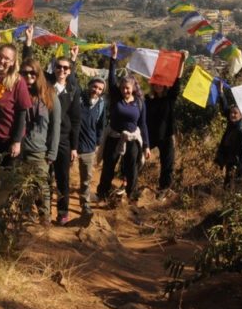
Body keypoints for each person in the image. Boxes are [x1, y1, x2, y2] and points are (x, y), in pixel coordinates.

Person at [23, 25, 81, 225]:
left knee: (62, 178)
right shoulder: (46, 85)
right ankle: (41, 212)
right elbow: (30, 69)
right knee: (43, 178)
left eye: (66, 68)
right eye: (59, 67)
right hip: (42, 138)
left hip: (63, 139)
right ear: (53, 69)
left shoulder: (73, 90)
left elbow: (76, 120)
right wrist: (28, 43)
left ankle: (63, 212)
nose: (62, 70)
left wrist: (74, 146)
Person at [97, 44, 150, 202]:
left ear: (133, 88)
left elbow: (143, 124)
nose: (124, 90)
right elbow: (112, 78)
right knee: (108, 167)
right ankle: (103, 193)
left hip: (132, 139)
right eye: (122, 88)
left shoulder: (139, 102)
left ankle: (131, 195)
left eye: (127, 88)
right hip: (114, 137)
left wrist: (146, 145)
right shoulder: (116, 98)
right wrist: (113, 58)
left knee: (131, 169)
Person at [19, 58, 60, 223]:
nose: (29, 76)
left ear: (38, 73)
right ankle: (26, 216)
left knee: (42, 186)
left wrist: (52, 152)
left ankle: (45, 219)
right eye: (24, 72)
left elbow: (56, 125)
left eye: (32, 72)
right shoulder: (18, 91)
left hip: (40, 151)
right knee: (23, 186)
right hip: (20, 149)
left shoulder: (49, 95)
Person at [145, 77, 181, 199]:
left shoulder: (170, 98)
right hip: (150, 135)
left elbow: (177, 82)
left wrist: (181, 61)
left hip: (166, 136)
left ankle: (163, 190)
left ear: (165, 85)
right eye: (156, 83)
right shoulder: (148, 100)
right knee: (135, 155)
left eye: (161, 83)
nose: (158, 85)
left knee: (167, 164)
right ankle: (127, 183)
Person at [76, 76, 107, 215]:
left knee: (86, 179)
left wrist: (97, 142)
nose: (96, 90)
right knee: (61, 176)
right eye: (94, 87)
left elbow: (101, 125)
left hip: (89, 146)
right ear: (89, 85)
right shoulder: (78, 98)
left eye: (100, 89)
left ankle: (85, 204)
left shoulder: (101, 104)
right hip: (72, 145)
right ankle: (61, 207)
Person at [214, 89, 242, 191]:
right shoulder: (232, 124)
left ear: (241, 115)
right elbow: (225, 109)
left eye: (235, 113)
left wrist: (241, 168)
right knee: (227, 186)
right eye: (231, 113)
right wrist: (220, 93)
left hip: (237, 164)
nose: (232, 115)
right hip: (229, 161)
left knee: (237, 188)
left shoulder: (241, 130)